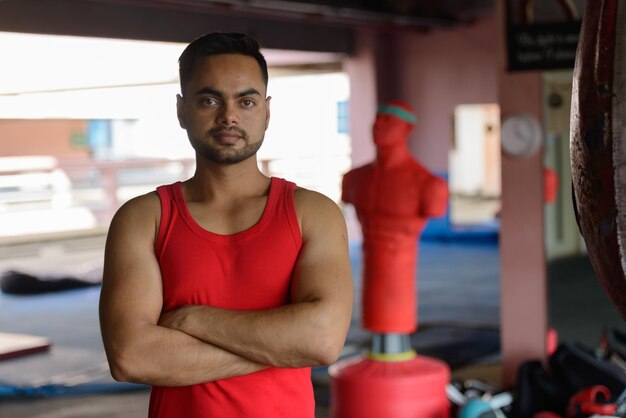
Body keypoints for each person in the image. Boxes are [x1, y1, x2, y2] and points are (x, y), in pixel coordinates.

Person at [99, 32, 354, 418]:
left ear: (266, 112)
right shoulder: (143, 219)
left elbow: (322, 339)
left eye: (246, 101)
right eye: (209, 99)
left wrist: (191, 319)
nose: (229, 116)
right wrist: (281, 346)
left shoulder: (312, 213)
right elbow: (131, 357)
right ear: (182, 111)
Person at [342, 101, 447, 344]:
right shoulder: (354, 179)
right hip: (370, 270)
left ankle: (394, 347)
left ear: (407, 130)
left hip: (400, 281)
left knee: (394, 311)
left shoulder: (428, 185)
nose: (378, 126)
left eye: (389, 121)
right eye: (377, 119)